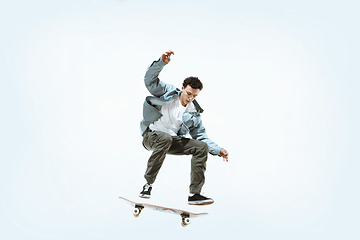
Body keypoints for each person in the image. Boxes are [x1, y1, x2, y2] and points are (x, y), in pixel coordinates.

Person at [139, 50, 229, 205]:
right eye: (188, 94)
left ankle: (195, 195)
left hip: (170, 141)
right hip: (152, 137)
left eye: (194, 96)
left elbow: (201, 136)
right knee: (165, 138)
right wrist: (161, 63)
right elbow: (150, 81)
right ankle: (148, 185)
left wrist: (218, 150)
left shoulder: (193, 113)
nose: (190, 98)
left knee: (200, 147)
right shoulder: (168, 92)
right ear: (182, 88)